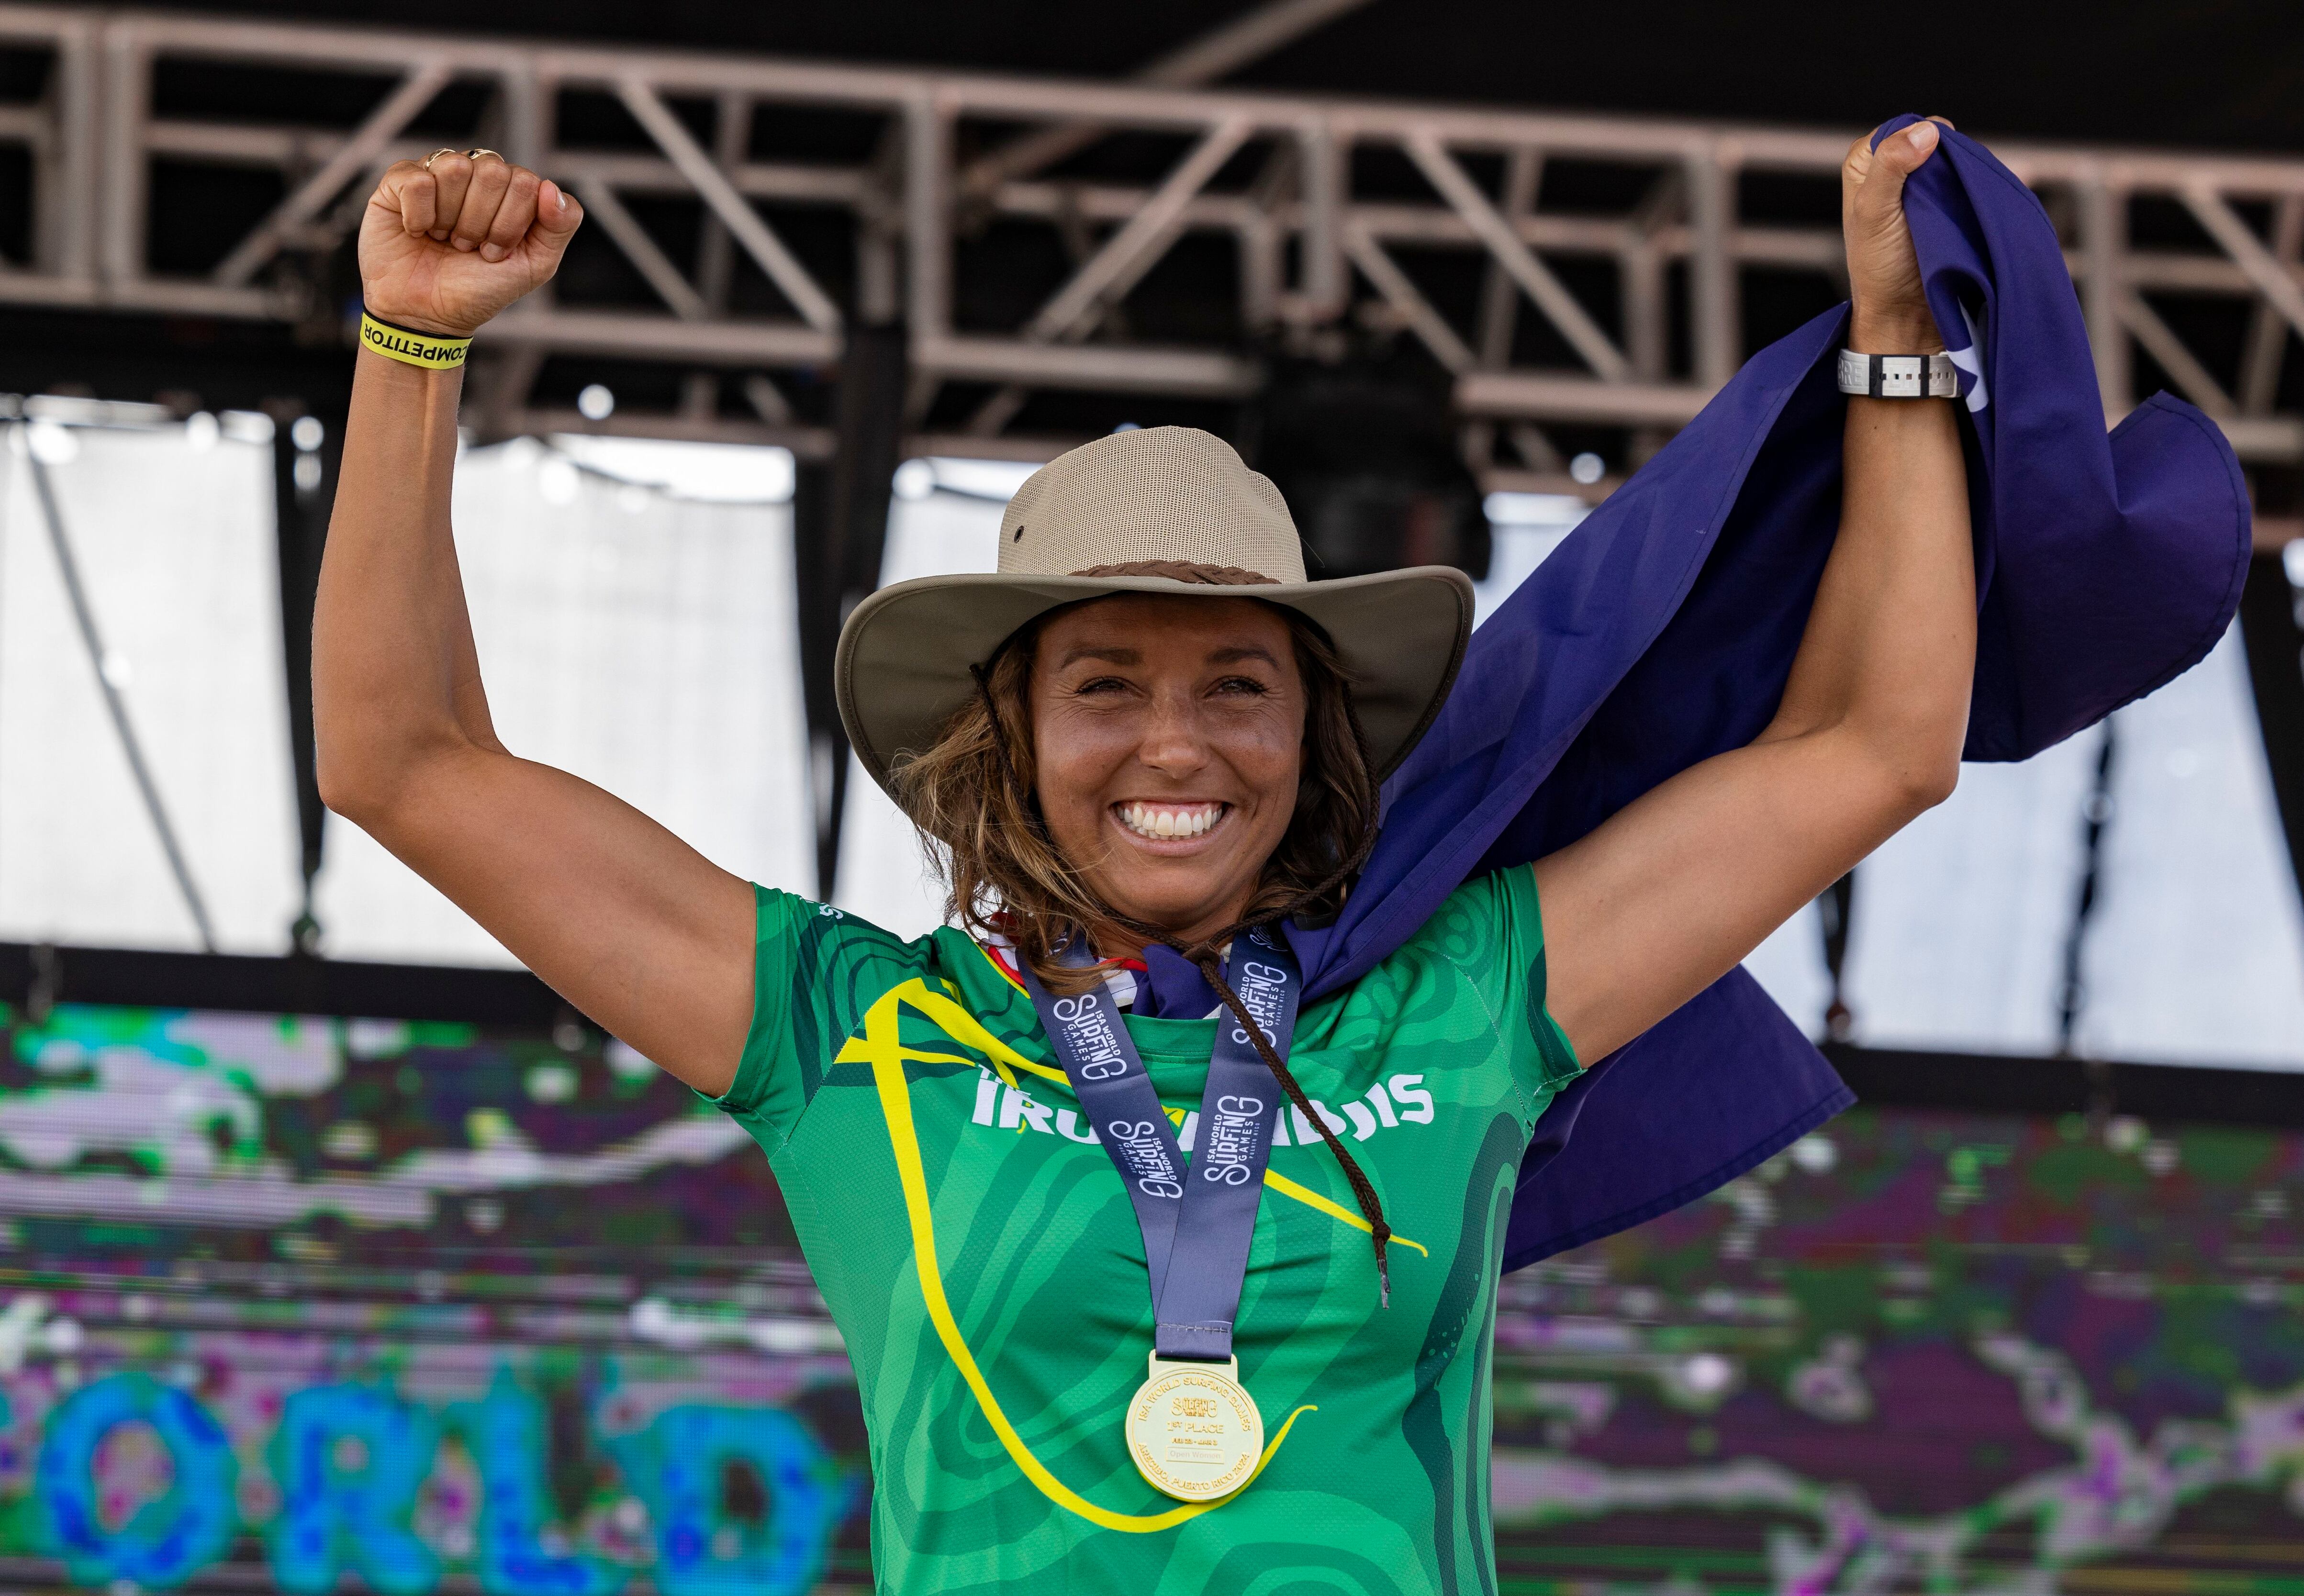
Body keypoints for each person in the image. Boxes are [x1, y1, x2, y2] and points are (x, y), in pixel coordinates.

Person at [317, 121, 1970, 1596]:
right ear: (1011, 736)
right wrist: (408, 346)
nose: (1175, 745)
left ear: (1311, 739)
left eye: (1236, 688)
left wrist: (1898, 348)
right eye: (1103, 685)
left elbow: (1872, 750)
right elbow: (406, 763)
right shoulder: (849, 1034)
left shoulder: (1465, 1003)